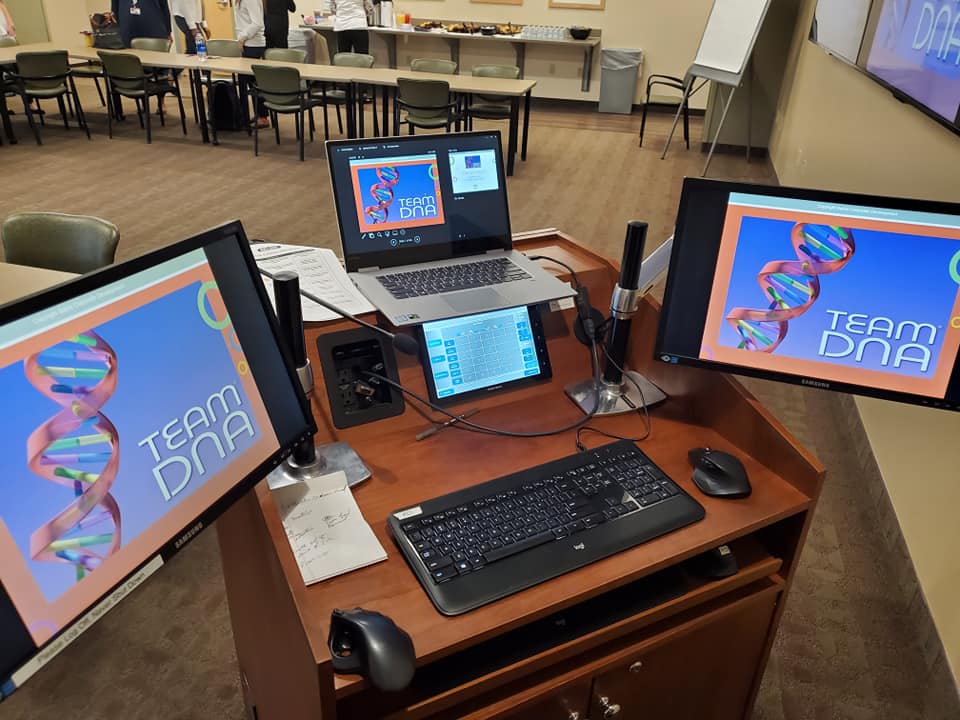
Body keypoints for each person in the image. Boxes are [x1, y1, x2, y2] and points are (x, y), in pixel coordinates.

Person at [234, 0, 270, 128]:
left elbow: (257, 23)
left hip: (252, 45)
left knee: (248, 82)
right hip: (248, 43)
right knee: (252, 82)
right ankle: (261, 115)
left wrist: (243, 37)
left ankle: (254, 117)